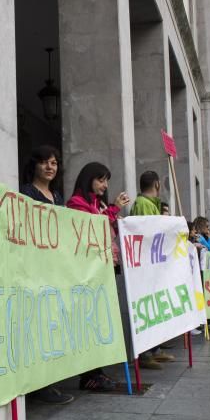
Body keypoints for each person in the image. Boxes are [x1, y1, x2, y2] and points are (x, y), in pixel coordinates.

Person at [66, 162, 130, 390]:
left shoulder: (97, 204)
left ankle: (97, 372)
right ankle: (89, 375)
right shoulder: (77, 204)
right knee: (90, 321)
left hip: (105, 269)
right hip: (88, 273)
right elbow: (92, 228)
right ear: (89, 179)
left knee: (101, 320)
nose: (105, 185)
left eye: (107, 181)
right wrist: (112, 210)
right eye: (101, 180)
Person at [20, 146, 74, 405]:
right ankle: (38, 384)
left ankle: (48, 381)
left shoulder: (57, 196)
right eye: (44, 162)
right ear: (35, 165)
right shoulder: (26, 192)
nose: (50, 167)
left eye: (53, 162)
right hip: (34, 270)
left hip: (54, 271)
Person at [130, 171, 175, 368]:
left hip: (154, 267)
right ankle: (145, 353)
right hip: (146, 268)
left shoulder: (151, 205)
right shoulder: (142, 205)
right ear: (157, 184)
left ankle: (154, 348)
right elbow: (146, 236)